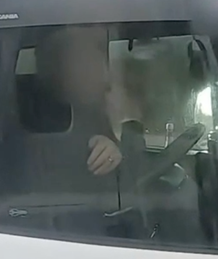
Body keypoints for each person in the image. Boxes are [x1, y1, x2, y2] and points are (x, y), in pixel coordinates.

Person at [34, 25, 143, 177]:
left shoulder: (92, 115)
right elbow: (131, 184)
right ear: (63, 71)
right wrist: (127, 121)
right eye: (90, 63)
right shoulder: (49, 130)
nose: (106, 79)